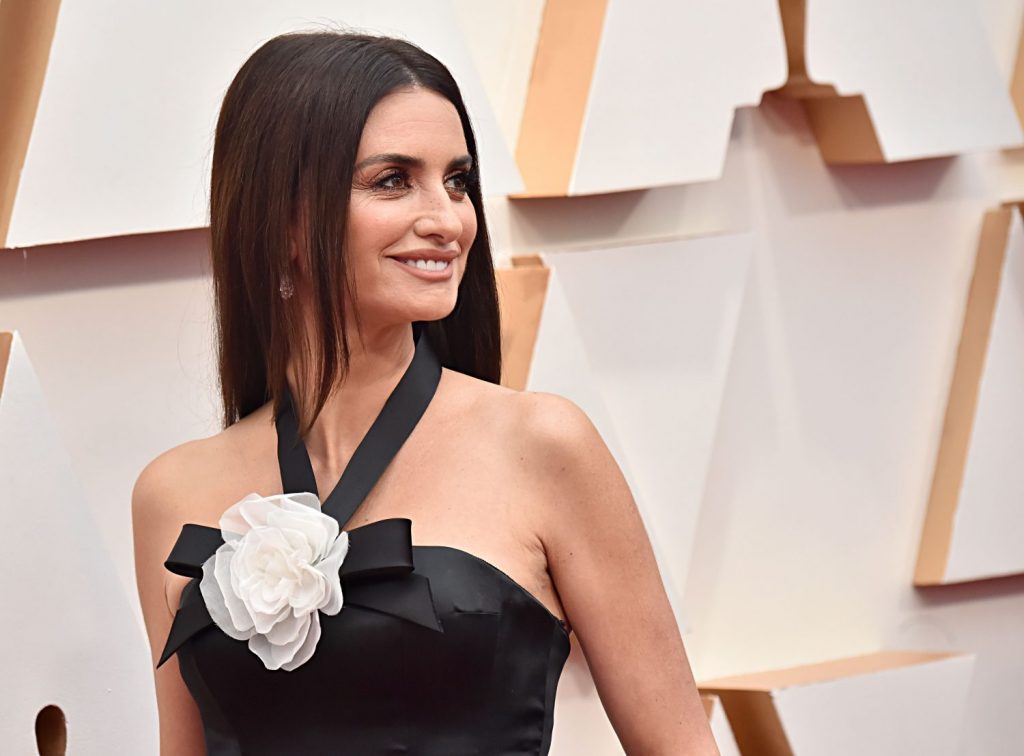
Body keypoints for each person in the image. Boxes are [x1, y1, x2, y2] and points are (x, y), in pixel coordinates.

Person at [131, 30, 718, 755]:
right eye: (392, 180)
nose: (448, 220)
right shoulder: (171, 492)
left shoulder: (543, 446)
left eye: (458, 181)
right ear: (283, 219)